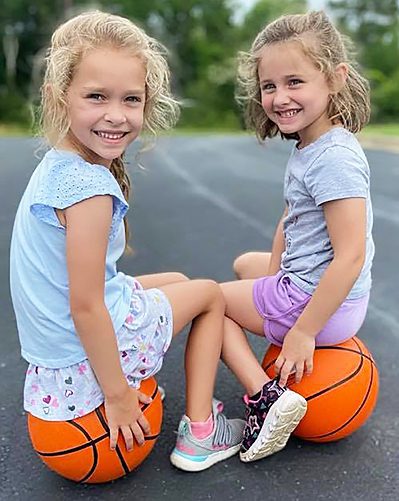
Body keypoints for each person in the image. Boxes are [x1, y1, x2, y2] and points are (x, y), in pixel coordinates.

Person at [9, 10, 245, 474]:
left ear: (146, 103)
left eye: (130, 99)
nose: (115, 115)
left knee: (177, 280)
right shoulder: (90, 189)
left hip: (55, 350)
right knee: (210, 295)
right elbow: (87, 307)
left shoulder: (57, 165)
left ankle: (185, 399)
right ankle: (200, 432)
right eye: (96, 96)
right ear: (60, 98)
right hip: (84, 347)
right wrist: (117, 396)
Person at [220, 10, 374, 461]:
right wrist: (268, 280)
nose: (279, 97)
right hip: (324, 295)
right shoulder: (313, 144)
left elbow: (350, 255)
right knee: (245, 266)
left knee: (210, 302)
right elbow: (289, 222)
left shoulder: (333, 159)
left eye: (295, 82)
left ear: (335, 78)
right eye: (270, 86)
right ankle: (275, 325)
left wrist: (303, 333)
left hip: (321, 304)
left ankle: (266, 399)